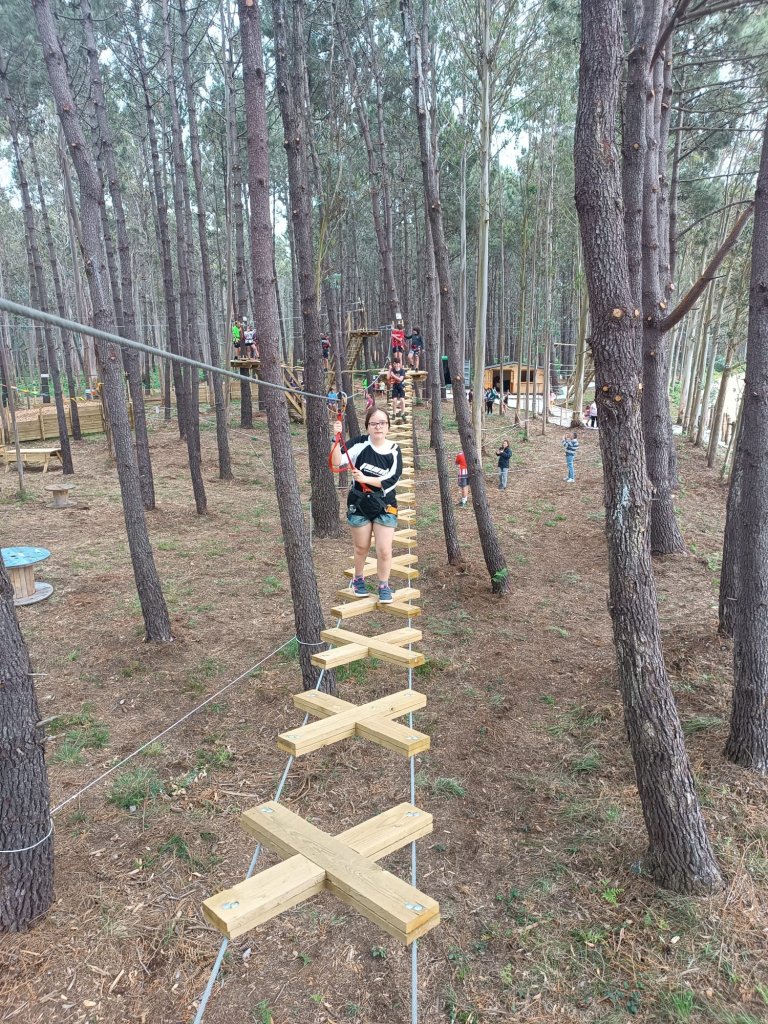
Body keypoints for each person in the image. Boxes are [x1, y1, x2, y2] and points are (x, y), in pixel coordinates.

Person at [332, 406, 403, 604]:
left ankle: (384, 585)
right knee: (361, 547)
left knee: (384, 549)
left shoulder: (394, 450)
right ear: (368, 426)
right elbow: (337, 462)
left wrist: (365, 479)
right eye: (374, 423)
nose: (378, 427)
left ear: (388, 426)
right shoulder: (359, 444)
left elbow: (393, 479)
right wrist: (335, 439)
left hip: (384, 503)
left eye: (382, 423)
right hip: (360, 502)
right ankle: (358, 578)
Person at [389, 356, 407, 421]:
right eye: (395, 364)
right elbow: (388, 377)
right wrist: (389, 370)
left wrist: (393, 375)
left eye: (397, 363)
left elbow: (400, 379)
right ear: (394, 364)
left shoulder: (402, 371)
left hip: (401, 386)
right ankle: (394, 414)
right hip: (395, 387)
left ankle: (403, 414)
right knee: (394, 400)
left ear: (399, 364)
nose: (396, 365)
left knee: (402, 400)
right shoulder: (392, 370)